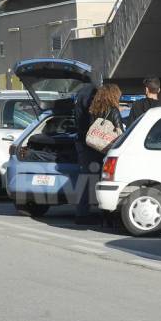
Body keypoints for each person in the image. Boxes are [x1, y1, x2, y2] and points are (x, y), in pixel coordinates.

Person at [73, 81, 100, 224]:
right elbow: (91, 121)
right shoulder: (91, 94)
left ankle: (82, 212)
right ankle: (82, 214)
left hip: (81, 140)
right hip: (88, 143)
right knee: (87, 178)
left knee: (85, 176)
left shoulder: (81, 93)